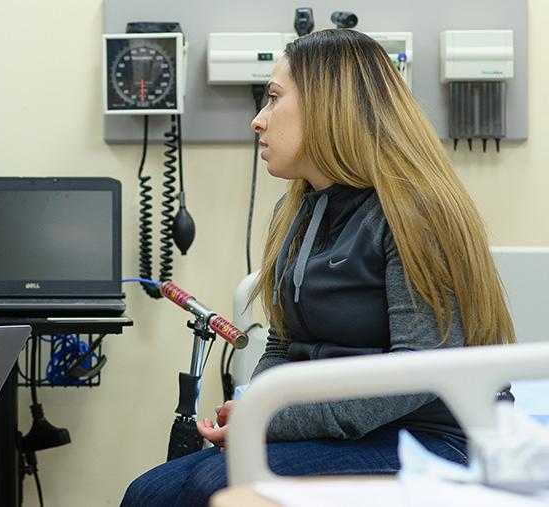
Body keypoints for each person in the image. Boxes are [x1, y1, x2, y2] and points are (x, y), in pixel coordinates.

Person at [122, 29, 514, 507]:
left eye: (272, 99)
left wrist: (270, 421)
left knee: (217, 487)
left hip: (439, 441)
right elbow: (285, 344)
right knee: (148, 493)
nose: (257, 122)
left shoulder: (414, 212)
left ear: (330, 106)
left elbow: (418, 373)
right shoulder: (302, 210)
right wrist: (252, 410)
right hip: (353, 434)